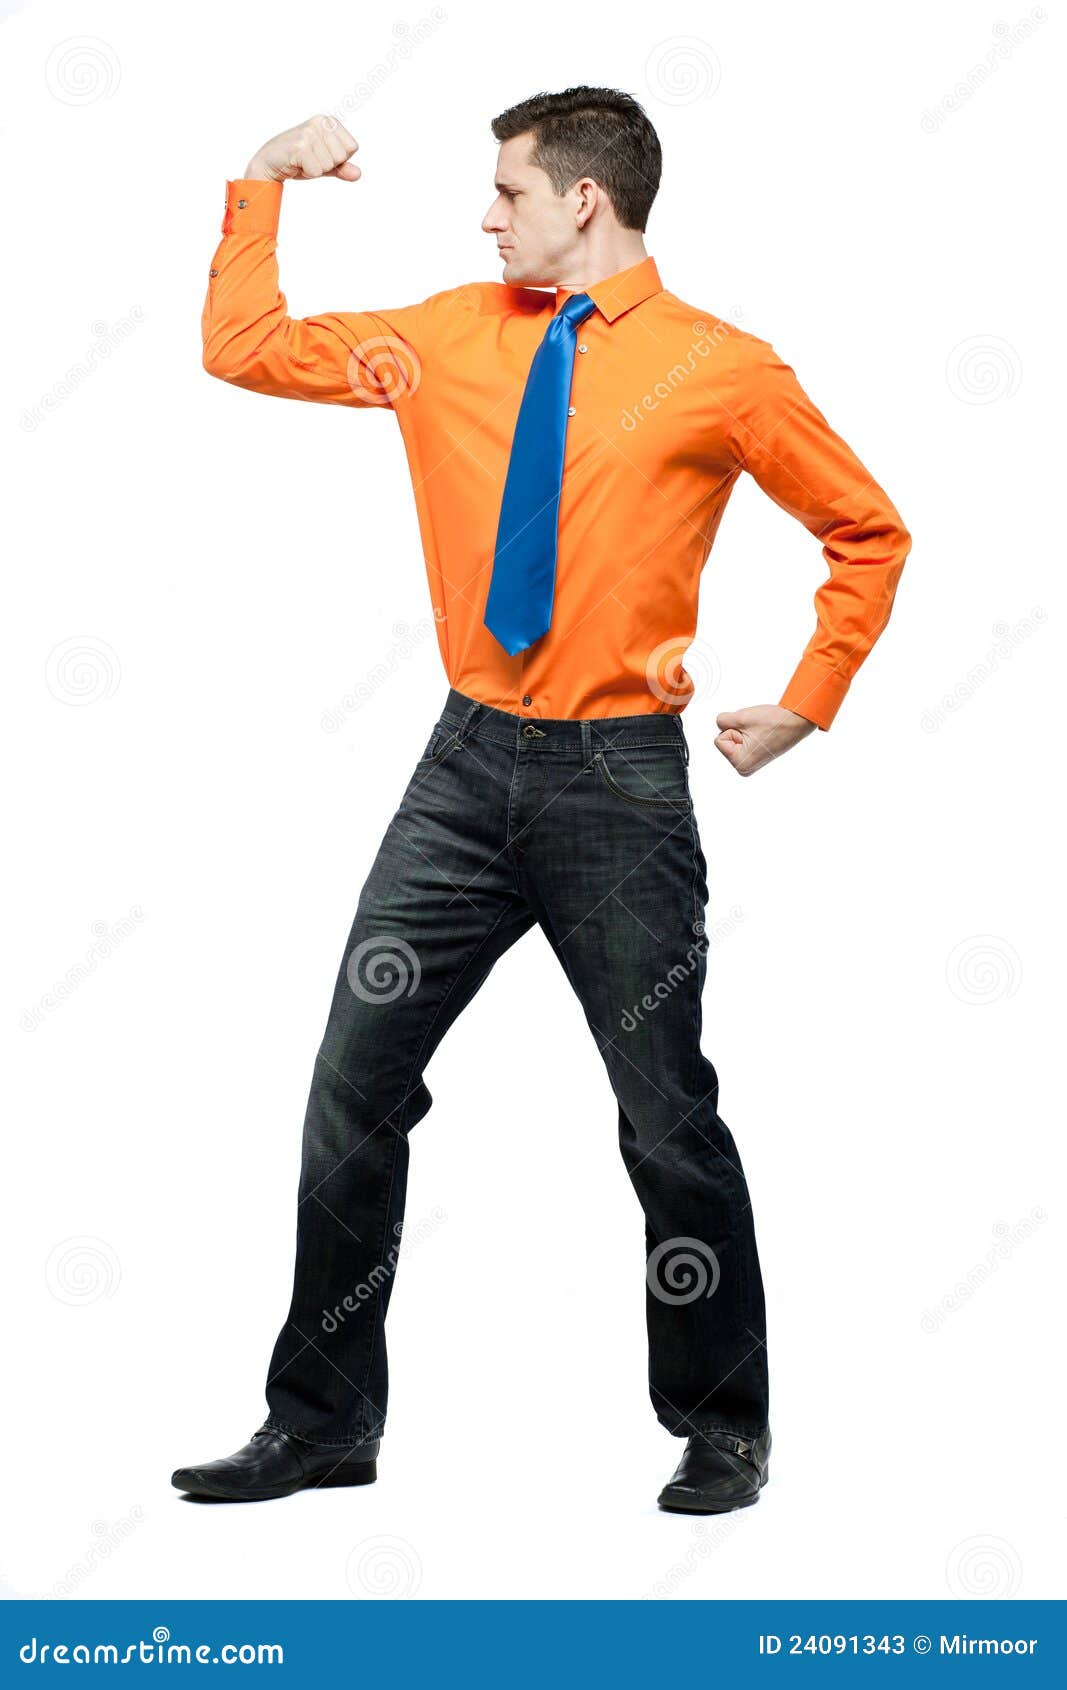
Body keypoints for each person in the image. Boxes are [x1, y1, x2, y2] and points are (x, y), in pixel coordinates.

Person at [172, 86, 910, 1511]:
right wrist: (262, 179)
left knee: (664, 1110)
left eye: (505, 191)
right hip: (462, 770)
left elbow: (867, 530)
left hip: (619, 785)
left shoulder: (723, 367)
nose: (484, 213)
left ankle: (726, 1423)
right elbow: (244, 348)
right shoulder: (447, 336)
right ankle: (323, 1418)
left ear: (587, 200)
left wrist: (813, 693)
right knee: (352, 1087)